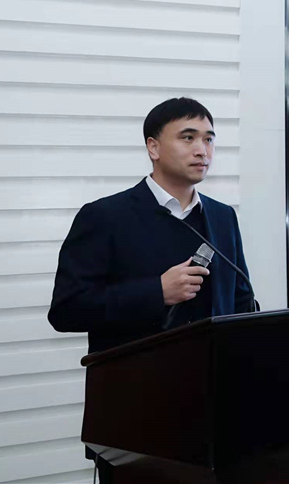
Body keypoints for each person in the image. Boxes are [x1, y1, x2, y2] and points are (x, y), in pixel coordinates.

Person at [48, 98, 257, 480]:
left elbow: (241, 300)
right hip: (136, 423)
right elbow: (66, 309)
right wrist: (155, 292)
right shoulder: (105, 216)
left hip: (215, 418)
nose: (202, 150)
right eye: (188, 137)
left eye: (209, 139)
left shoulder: (223, 216)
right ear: (153, 147)